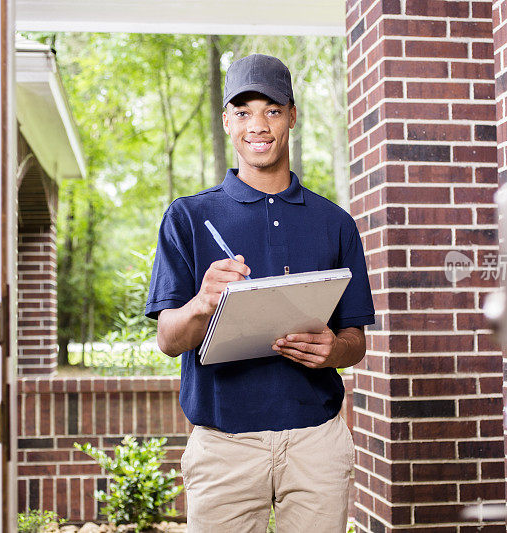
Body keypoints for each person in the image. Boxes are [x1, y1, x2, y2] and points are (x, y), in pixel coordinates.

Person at [145, 53, 375, 532]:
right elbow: (168, 340)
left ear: (292, 116)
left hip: (317, 444)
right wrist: (202, 303)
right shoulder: (187, 218)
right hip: (224, 448)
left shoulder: (334, 222)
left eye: (272, 110)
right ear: (228, 122)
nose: (259, 125)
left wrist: (335, 350)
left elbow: (355, 340)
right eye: (244, 111)